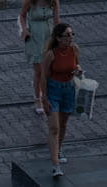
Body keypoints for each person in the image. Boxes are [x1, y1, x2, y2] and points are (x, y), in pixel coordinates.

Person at [38, 22, 81, 177]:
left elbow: (76, 67)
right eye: (66, 35)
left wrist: (78, 71)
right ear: (58, 38)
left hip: (68, 90)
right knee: (54, 127)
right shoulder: (50, 54)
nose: (70, 38)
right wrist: (44, 99)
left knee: (63, 124)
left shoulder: (74, 49)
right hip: (53, 90)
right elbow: (43, 77)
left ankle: (59, 148)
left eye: (71, 34)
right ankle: (55, 165)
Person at [19, 0, 60, 114]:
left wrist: (59, 38)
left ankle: (45, 96)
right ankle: (38, 98)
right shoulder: (30, 0)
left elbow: (56, 21)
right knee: (38, 72)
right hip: (34, 38)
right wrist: (25, 30)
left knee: (47, 71)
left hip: (48, 38)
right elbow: (22, 16)